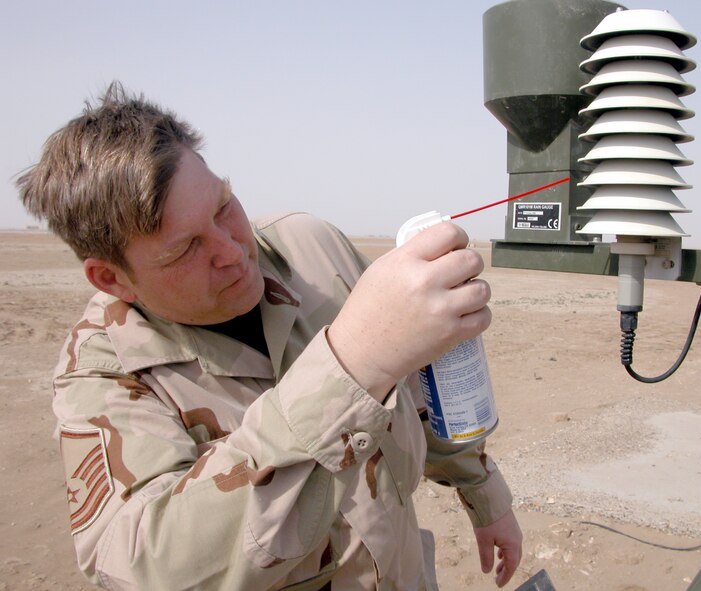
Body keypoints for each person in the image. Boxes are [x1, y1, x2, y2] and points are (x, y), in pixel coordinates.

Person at [17, 82, 522, 590]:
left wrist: (484, 495)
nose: (232, 251)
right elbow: (146, 569)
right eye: (184, 249)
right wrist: (349, 366)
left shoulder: (311, 248)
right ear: (113, 278)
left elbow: (418, 389)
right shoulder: (105, 370)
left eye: (223, 207)